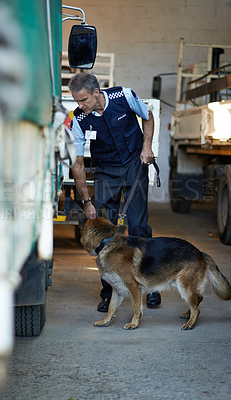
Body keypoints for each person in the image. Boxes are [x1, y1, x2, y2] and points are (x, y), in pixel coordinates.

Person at [69, 73, 161, 311]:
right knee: (104, 233)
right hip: (105, 171)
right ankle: (109, 292)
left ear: (96, 93)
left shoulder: (125, 96)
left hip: (133, 163)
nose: (80, 106)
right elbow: (77, 164)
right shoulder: (79, 118)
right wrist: (86, 201)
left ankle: (149, 287)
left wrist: (147, 146)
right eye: (77, 101)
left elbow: (148, 115)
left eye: (84, 100)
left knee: (139, 227)